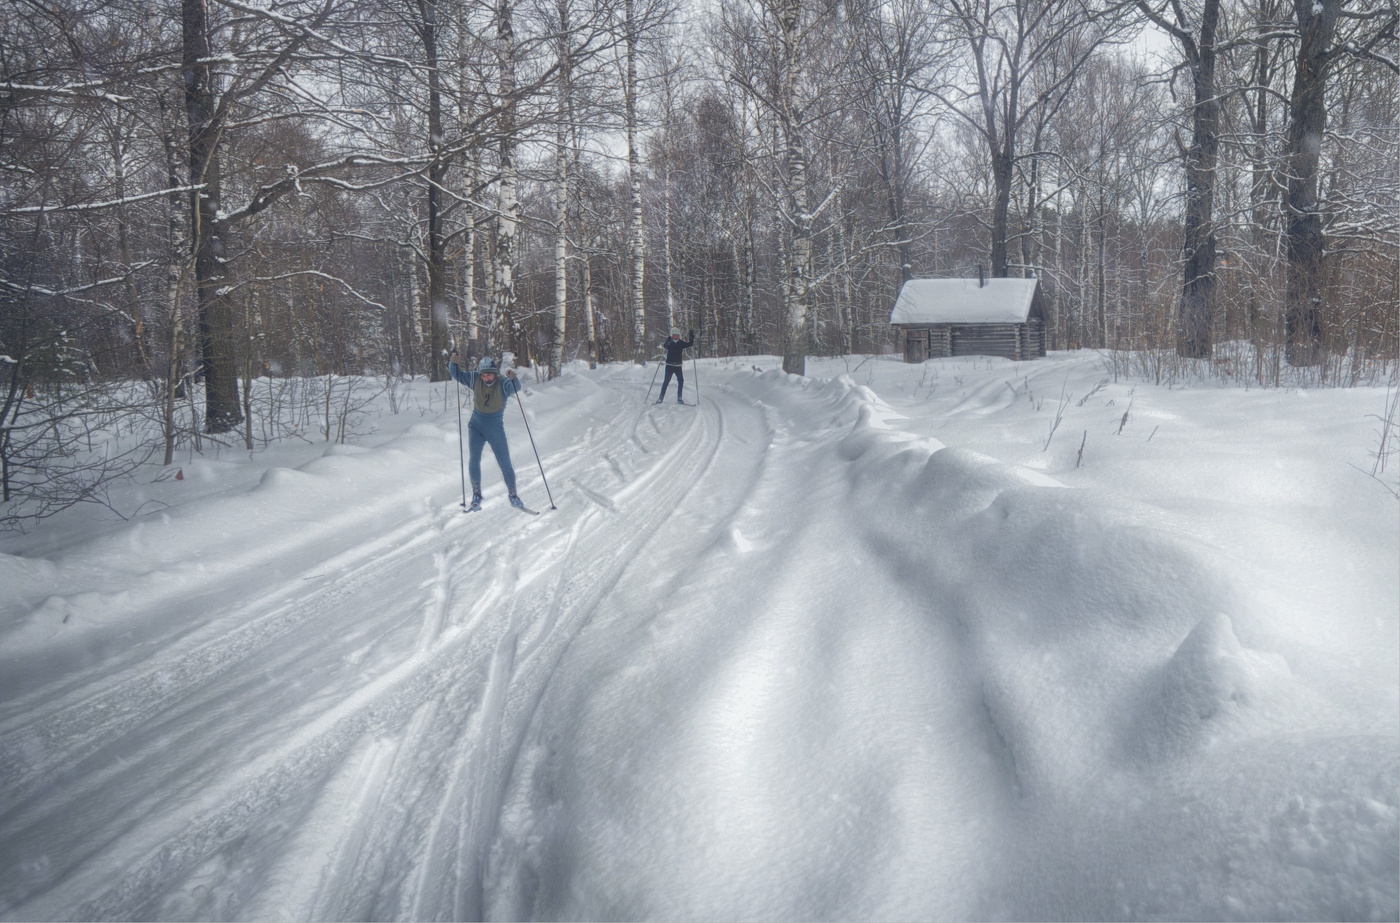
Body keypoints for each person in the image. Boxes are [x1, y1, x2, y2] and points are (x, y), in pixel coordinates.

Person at [448, 351, 524, 510]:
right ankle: (476, 492)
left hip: (495, 428)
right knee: (474, 459)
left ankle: (513, 494)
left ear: (495, 373)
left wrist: (513, 377)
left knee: (504, 462)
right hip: (475, 426)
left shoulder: (503, 383)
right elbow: (456, 374)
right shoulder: (475, 378)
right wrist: (453, 362)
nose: (486, 378)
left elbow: (516, 387)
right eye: (483, 375)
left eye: (489, 375)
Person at [656, 327, 695, 404]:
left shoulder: (680, 343)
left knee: (681, 381)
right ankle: (661, 397)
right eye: (674, 335)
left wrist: (691, 337)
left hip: (678, 366)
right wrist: (668, 339)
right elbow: (665, 346)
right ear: (672, 335)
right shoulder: (669, 342)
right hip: (669, 365)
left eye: (677, 335)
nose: (676, 337)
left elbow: (690, 344)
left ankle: (679, 398)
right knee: (666, 381)